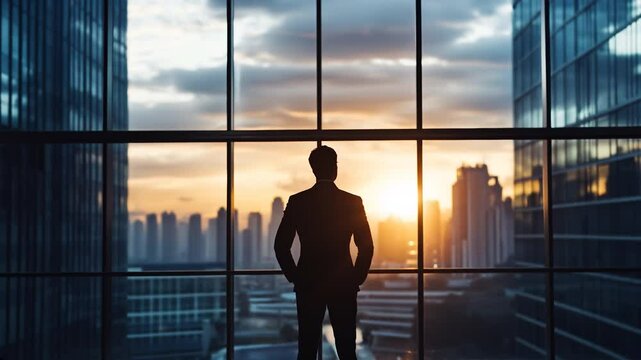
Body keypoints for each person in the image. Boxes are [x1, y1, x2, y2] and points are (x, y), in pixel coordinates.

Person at [274, 145, 374, 360]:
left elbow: (281, 246)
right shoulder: (352, 202)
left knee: (307, 348)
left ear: (313, 169)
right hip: (343, 285)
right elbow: (366, 245)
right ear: (335, 168)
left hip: (308, 284)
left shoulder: (298, 201)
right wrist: (356, 278)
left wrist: (296, 277)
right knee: (347, 349)